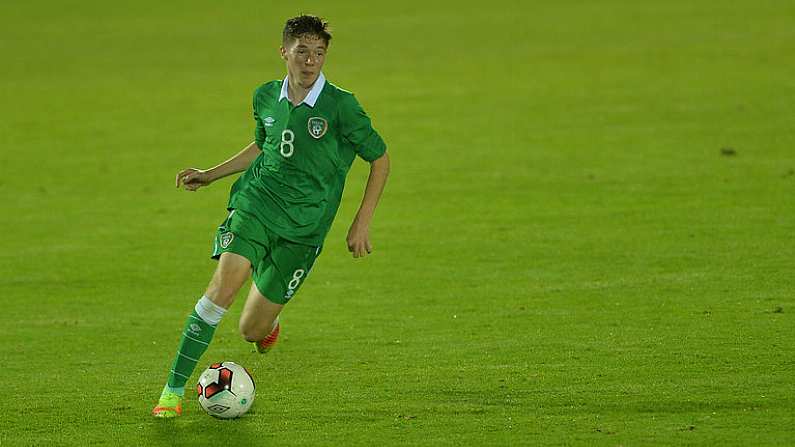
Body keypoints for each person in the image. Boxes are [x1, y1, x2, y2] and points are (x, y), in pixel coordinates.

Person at [152, 14, 390, 418]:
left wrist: (361, 221)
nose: (310, 61)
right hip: (255, 206)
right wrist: (210, 175)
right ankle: (172, 392)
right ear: (284, 53)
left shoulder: (342, 106)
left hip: (304, 229)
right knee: (219, 294)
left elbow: (380, 159)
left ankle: (268, 327)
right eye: (302, 52)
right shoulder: (265, 95)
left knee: (251, 330)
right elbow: (263, 145)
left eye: (318, 53)